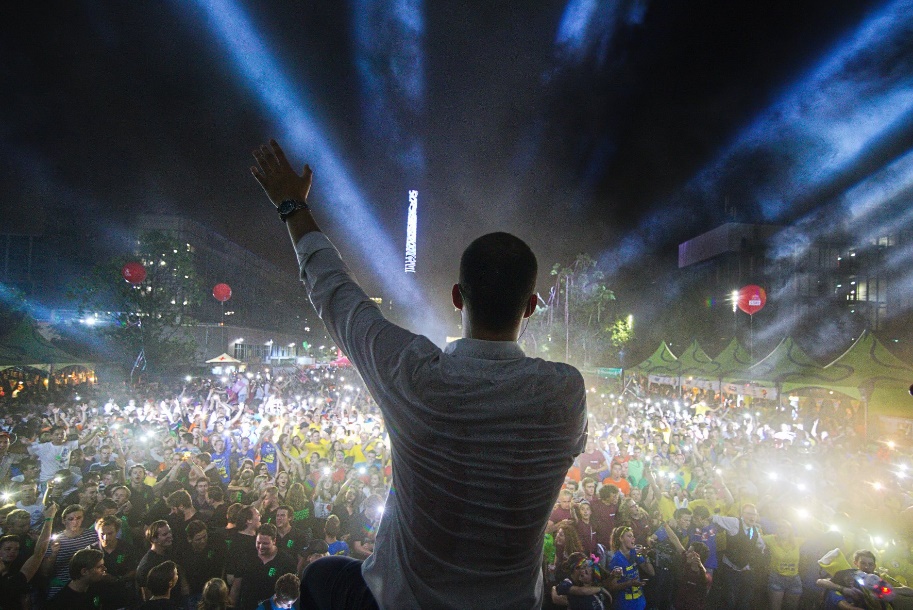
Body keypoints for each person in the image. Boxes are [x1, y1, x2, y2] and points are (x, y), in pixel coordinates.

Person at [251, 140, 587, 608]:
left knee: (319, 575)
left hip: (404, 601)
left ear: (457, 297)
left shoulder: (415, 376)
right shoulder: (565, 391)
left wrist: (292, 206)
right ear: (530, 305)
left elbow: (336, 295)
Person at [0, 502, 56, 610]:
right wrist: (49, 518)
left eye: (28, 524)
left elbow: (38, 555)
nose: (26, 528)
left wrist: (37, 541)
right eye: (8, 549)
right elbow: (39, 554)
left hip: (28, 583)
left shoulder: (30, 538)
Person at [229, 524, 296, 610]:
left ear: (274, 541)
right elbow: (236, 586)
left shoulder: (286, 561)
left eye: (265, 543)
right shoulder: (247, 556)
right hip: (247, 606)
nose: (261, 547)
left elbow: (290, 591)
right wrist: (231, 604)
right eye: (258, 542)